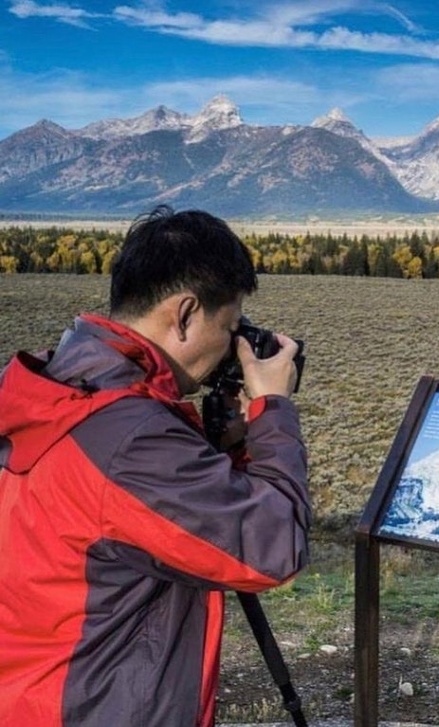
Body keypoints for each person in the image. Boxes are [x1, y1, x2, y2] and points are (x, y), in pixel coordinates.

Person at [0, 205, 311, 726]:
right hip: (93, 707)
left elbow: (142, 519)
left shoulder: (62, 388)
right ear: (185, 313)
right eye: (230, 326)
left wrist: (229, 444)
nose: (232, 345)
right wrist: (273, 411)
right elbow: (273, 547)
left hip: (31, 688)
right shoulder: (129, 435)